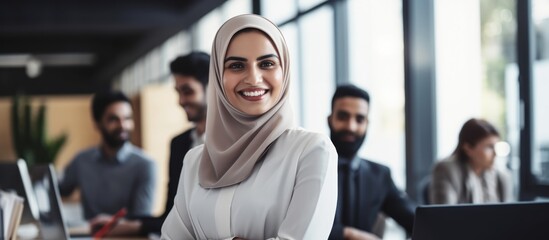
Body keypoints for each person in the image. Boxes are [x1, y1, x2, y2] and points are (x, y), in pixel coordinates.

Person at [161, 14, 338, 240]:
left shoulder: (311, 151)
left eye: (267, 64)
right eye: (236, 65)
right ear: (217, 77)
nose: (254, 78)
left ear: (284, 71)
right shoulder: (195, 161)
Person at [89, 51, 211, 236]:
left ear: (213, 87)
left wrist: (131, 226)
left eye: (187, 91)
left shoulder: (234, 141)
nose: (181, 101)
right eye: (178, 92)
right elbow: (171, 215)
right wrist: (124, 223)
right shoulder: (179, 144)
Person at [328, 84, 416, 240]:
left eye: (360, 119)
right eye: (343, 116)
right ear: (330, 120)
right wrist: (348, 234)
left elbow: (414, 219)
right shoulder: (305, 167)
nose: (351, 126)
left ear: (367, 124)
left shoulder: (379, 175)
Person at [59, 90, 157, 220]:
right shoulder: (82, 160)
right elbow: (60, 190)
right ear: (97, 124)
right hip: (89, 236)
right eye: (113, 119)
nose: (122, 125)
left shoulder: (145, 165)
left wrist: (109, 223)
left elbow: (142, 220)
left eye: (127, 118)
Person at [429, 118, 514, 204]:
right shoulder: (446, 170)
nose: (495, 154)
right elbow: (444, 215)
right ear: (468, 148)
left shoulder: (502, 176)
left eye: (496, 146)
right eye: (489, 147)